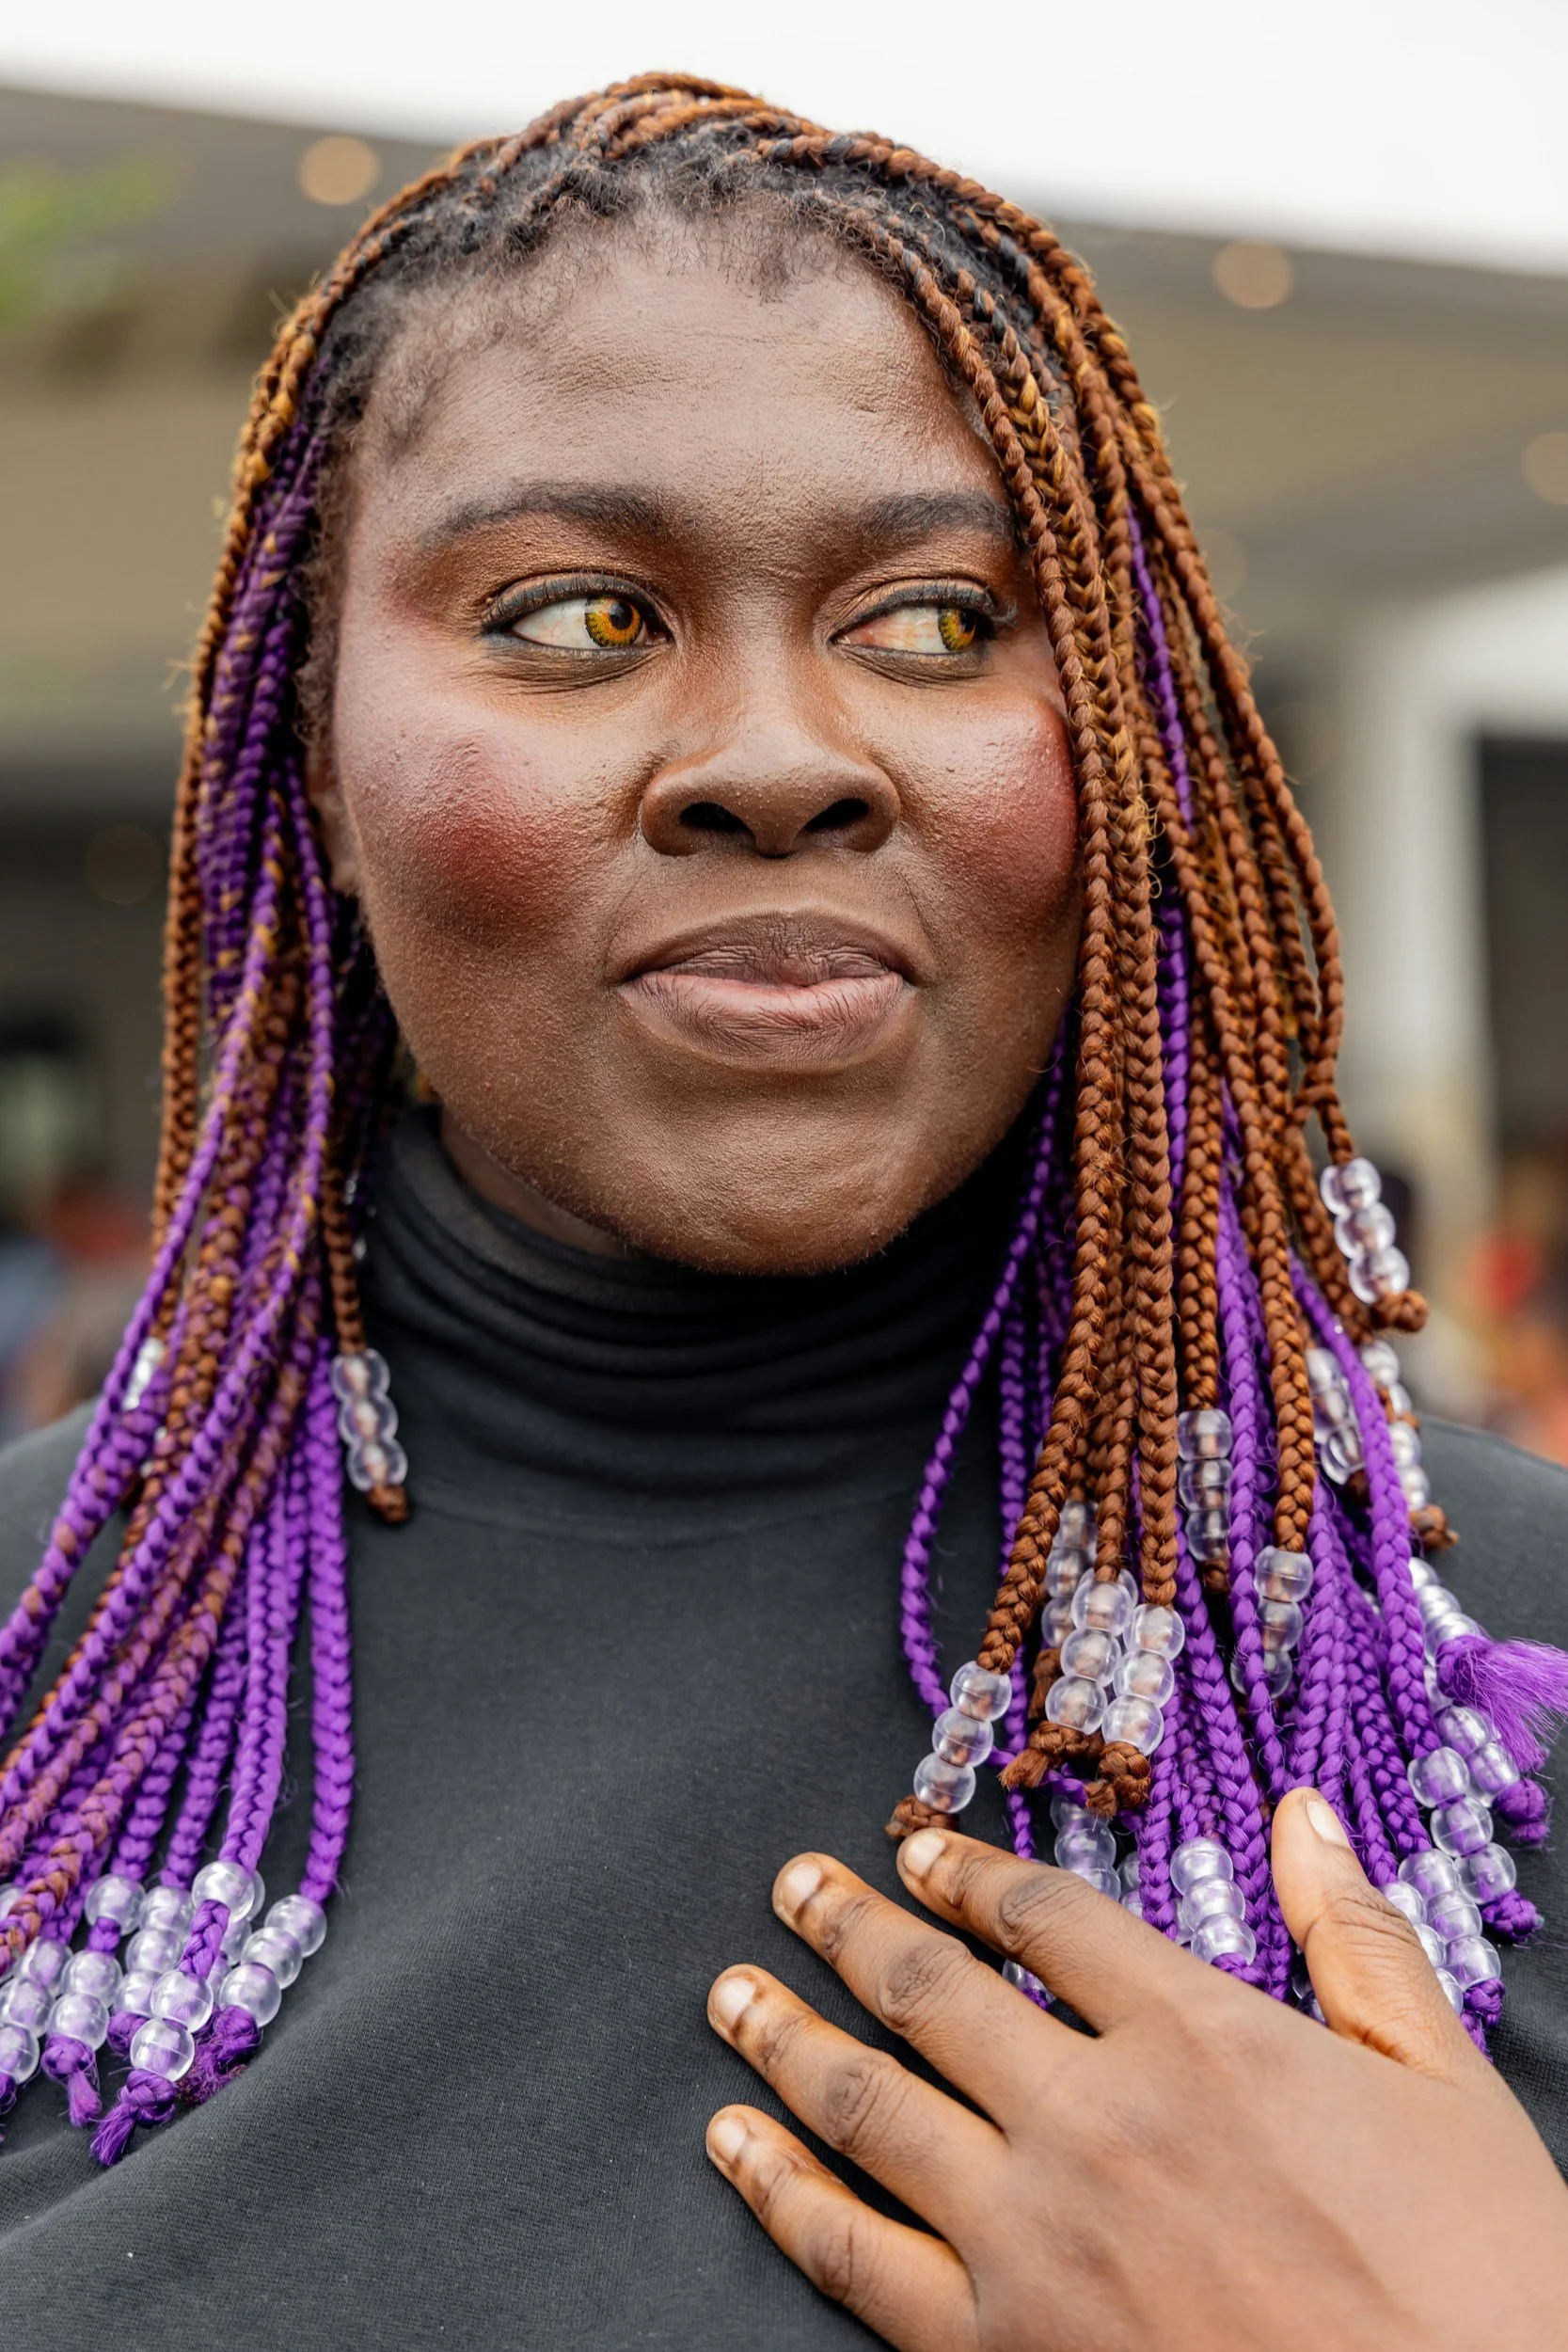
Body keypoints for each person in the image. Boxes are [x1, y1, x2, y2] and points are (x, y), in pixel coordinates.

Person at [0, 75, 1565, 2348]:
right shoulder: (58, 1681)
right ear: (311, 757)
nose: (776, 751)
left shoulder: (1484, 1672)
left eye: (933, 624)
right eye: (570, 613)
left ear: (1119, 750)